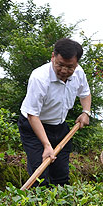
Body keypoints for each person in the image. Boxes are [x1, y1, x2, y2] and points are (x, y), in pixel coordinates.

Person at [18, 38, 91, 187]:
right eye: (60, 64)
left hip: (60, 127)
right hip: (34, 127)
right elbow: (33, 115)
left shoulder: (78, 73)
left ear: (76, 64)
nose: (64, 70)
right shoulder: (39, 78)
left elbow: (85, 93)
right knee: (40, 177)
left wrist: (86, 112)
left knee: (61, 177)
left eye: (70, 67)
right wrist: (46, 145)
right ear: (53, 57)